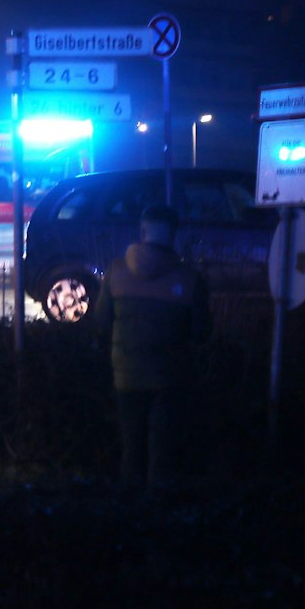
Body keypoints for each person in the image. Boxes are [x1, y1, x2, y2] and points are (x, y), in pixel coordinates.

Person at [87, 204, 213, 490]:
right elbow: (201, 333)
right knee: (162, 453)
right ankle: (159, 515)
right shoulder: (190, 280)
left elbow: (101, 323)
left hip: (125, 375)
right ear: (173, 235)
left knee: (131, 449)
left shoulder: (116, 273)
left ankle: (129, 514)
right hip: (170, 378)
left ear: (143, 232)